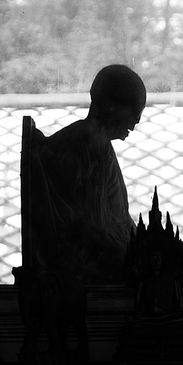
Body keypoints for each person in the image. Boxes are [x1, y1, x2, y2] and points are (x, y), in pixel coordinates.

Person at [27, 64, 146, 284]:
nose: (137, 120)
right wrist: (143, 250)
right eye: (135, 110)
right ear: (111, 106)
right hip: (93, 264)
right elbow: (97, 227)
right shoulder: (89, 143)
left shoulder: (92, 140)